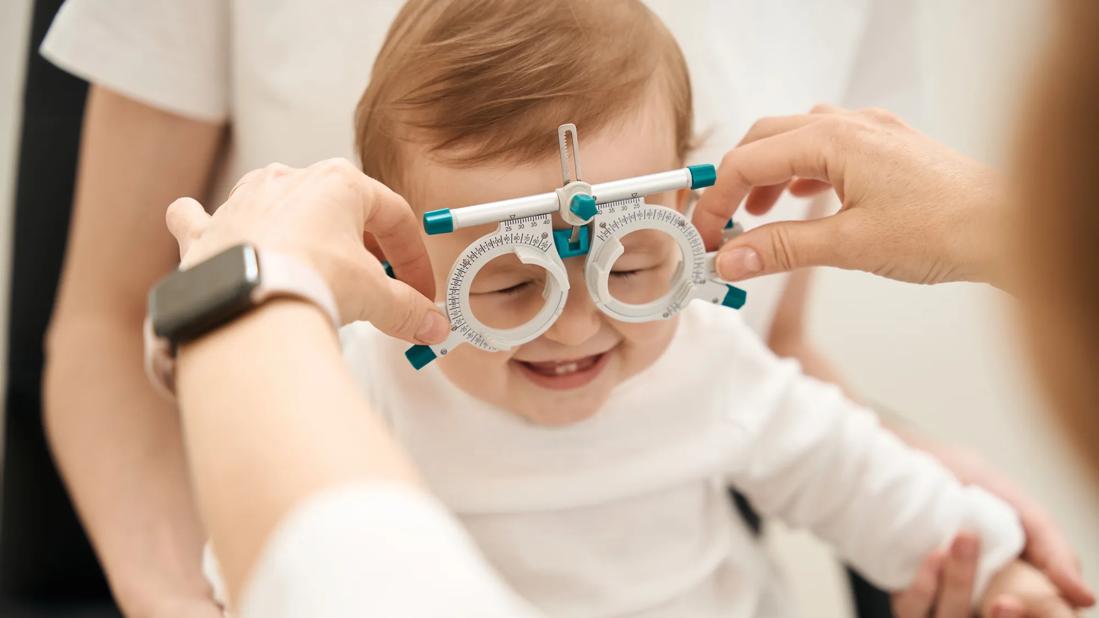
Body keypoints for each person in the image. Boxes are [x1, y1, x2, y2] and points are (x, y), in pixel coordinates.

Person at [37, 0, 1088, 616]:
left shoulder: (711, 363)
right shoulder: (350, 386)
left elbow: (853, 474)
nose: (576, 324)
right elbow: (256, 554)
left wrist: (988, 557)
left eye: (634, 267)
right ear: (395, 254)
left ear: (689, 212)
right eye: (506, 284)